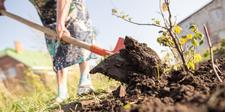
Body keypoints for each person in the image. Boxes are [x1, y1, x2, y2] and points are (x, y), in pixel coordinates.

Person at [0, 0, 96, 103]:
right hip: (47, 11)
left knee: (79, 33)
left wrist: (60, 23)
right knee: (55, 46)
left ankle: (85, 81)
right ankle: (62, 92)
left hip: (70, 4)